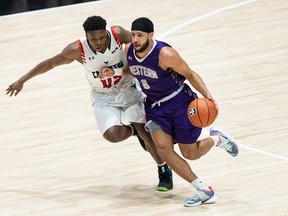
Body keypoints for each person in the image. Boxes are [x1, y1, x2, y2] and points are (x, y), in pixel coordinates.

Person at [5, 16, 173, 192]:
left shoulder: (117, 34)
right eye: (93, 39)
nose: (98, 42)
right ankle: (134, 131)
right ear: (86, 36)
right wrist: (22, 80)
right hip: (103, 96)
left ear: (106, 32)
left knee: (146, 133)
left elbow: (143, 43)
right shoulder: (76, 49)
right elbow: (51, 63)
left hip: (127, 88)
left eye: (101, 37)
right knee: (112, 135)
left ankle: (163, 170)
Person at [124, 17, 239, 207]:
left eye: (140, 35)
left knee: (191, 153)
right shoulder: (129, 50)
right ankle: (204, 190)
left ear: (150, 35)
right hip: (154, 107)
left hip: (180, 104)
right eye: (133, 35)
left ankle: (217, 139)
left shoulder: (165, 54)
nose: (135, 39)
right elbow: (134, 69)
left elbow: (190, 74)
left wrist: (208, 95)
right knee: (163, 149)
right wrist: (117, 73)